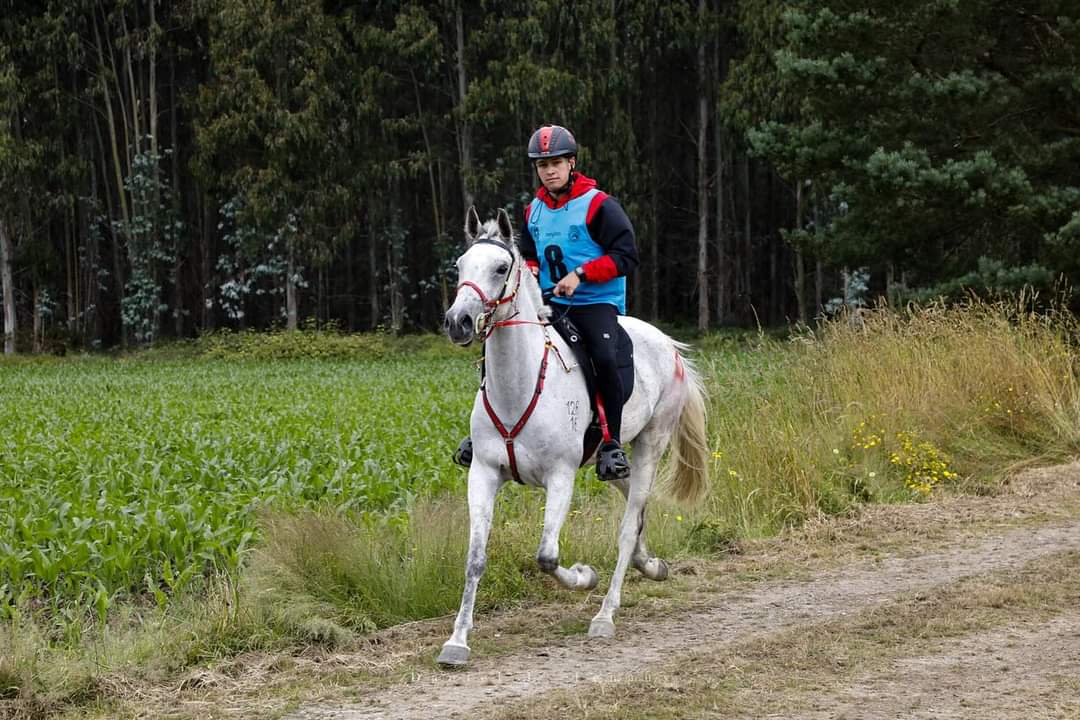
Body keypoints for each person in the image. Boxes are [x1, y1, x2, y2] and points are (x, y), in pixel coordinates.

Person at [454, 124, 639, 481]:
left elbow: (626, 256)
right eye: (542, 165)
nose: (549, 171)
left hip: (595, 302)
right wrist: (533, 275)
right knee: (500, 339)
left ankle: (612, 444)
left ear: (572, 163)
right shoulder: (534, 210)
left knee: (601, 356)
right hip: (550, 301)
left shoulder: (599, 205)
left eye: (556, 163)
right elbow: (528, 257)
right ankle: (483, 435)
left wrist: (581, 275)